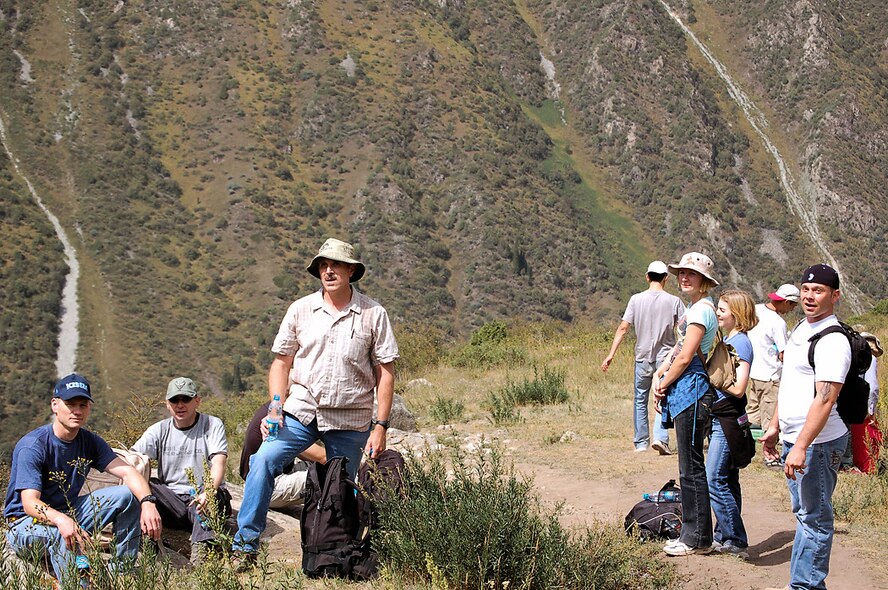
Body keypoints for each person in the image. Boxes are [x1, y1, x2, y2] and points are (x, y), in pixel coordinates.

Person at [231, 237, 399, 569]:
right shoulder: (300, 310)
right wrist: (275, 407)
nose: (329, 270)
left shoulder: (372, 314)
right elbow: (281, 363)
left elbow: (386, 372)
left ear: (351, 271)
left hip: (350, 417)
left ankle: (345, 550)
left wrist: (380, 426)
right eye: (323, 265)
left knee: (348, 487)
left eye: (336, 264)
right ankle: (245, 545)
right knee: (263, 461)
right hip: (302, 410)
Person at [4, 374, 162, 584]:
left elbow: (128, 472)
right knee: (63, 535)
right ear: (55, 405)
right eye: (70, 404)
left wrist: (148, 503)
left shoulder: (89, 441)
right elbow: (29, 503)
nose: (77, 411)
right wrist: (61, 520)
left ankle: (121, 573)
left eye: (83, 404)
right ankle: (79, 585)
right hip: (26, 524)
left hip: (69, 512)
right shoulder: (33, 446)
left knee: (128, 495)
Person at [760, 264, 851, 590]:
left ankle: (805, 586)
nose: (810, 296)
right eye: (806, 290)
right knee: (804, 515)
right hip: (795, 437)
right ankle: (801, 584)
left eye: (819, 291)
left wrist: (800, 445)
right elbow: (791, 383)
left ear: (834, 296)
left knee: (814, 518)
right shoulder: (801, 328)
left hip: (818, 443)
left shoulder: (832, 340)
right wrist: (775, 426)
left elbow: (826, 399)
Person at [653, 252, 719, 557]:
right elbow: (677, 350)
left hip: (692, 391)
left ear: (704, 281)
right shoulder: (696, 309)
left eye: (691, 274)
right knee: (689, 466)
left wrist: (664, 381)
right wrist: (660, 373)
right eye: (681, 273)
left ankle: (697, 537)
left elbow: (685, 355)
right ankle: (697, 534)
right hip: (685, 391)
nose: (684, 278)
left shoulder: (701, 311)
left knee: (691, 468)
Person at [131, 377, 231, 561]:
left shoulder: (212, 424)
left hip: (202, 496)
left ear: (197, 401)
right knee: (143, 487)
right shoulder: (159, 430)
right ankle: (147, 542)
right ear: (167, 404)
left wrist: (208, 491)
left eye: (185, 399)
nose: (180, 405)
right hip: (173, 501)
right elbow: (132, 459)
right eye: (174, 400)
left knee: (216, 496)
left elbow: (219, 461)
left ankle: (201, 550)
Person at [601, 260, 684, 454]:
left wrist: (611, 354)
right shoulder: (674, 302)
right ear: (665, 278)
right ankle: (661, 438)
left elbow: (623, 328)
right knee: (663, 397)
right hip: (665, 359)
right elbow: (684, 329)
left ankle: (641, 443)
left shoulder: (635, 300)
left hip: (642, 356)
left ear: (647, 277)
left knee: (640, 399)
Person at [705, 290, 757, 560]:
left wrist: (714, 380)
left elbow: (738, 387)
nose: (718, 313)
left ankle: (735, 539)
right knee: (728, 479)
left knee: (714, 477)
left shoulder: (741, 344)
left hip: (727, 419)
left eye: (722, 309)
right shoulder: (729, 340)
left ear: (736, 313)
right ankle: (723, 535)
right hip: (723, 417)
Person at [239, 401, 327, 509]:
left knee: (319, 468)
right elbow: (322, 457)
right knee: (332, 477)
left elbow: (306, 453)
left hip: (265, 479)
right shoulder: (283, 420)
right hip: (267, 488)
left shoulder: (275, 409)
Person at [746, 284, 799, 438]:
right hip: (770, 375)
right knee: (770, 419)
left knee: (753, 413)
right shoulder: (778, 323)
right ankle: (770, 453)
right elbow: (784, 354)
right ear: (787, 302)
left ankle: (743, 442)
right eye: (793, 306)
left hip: (753, 372)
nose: (792, 310)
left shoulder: (755, 309)